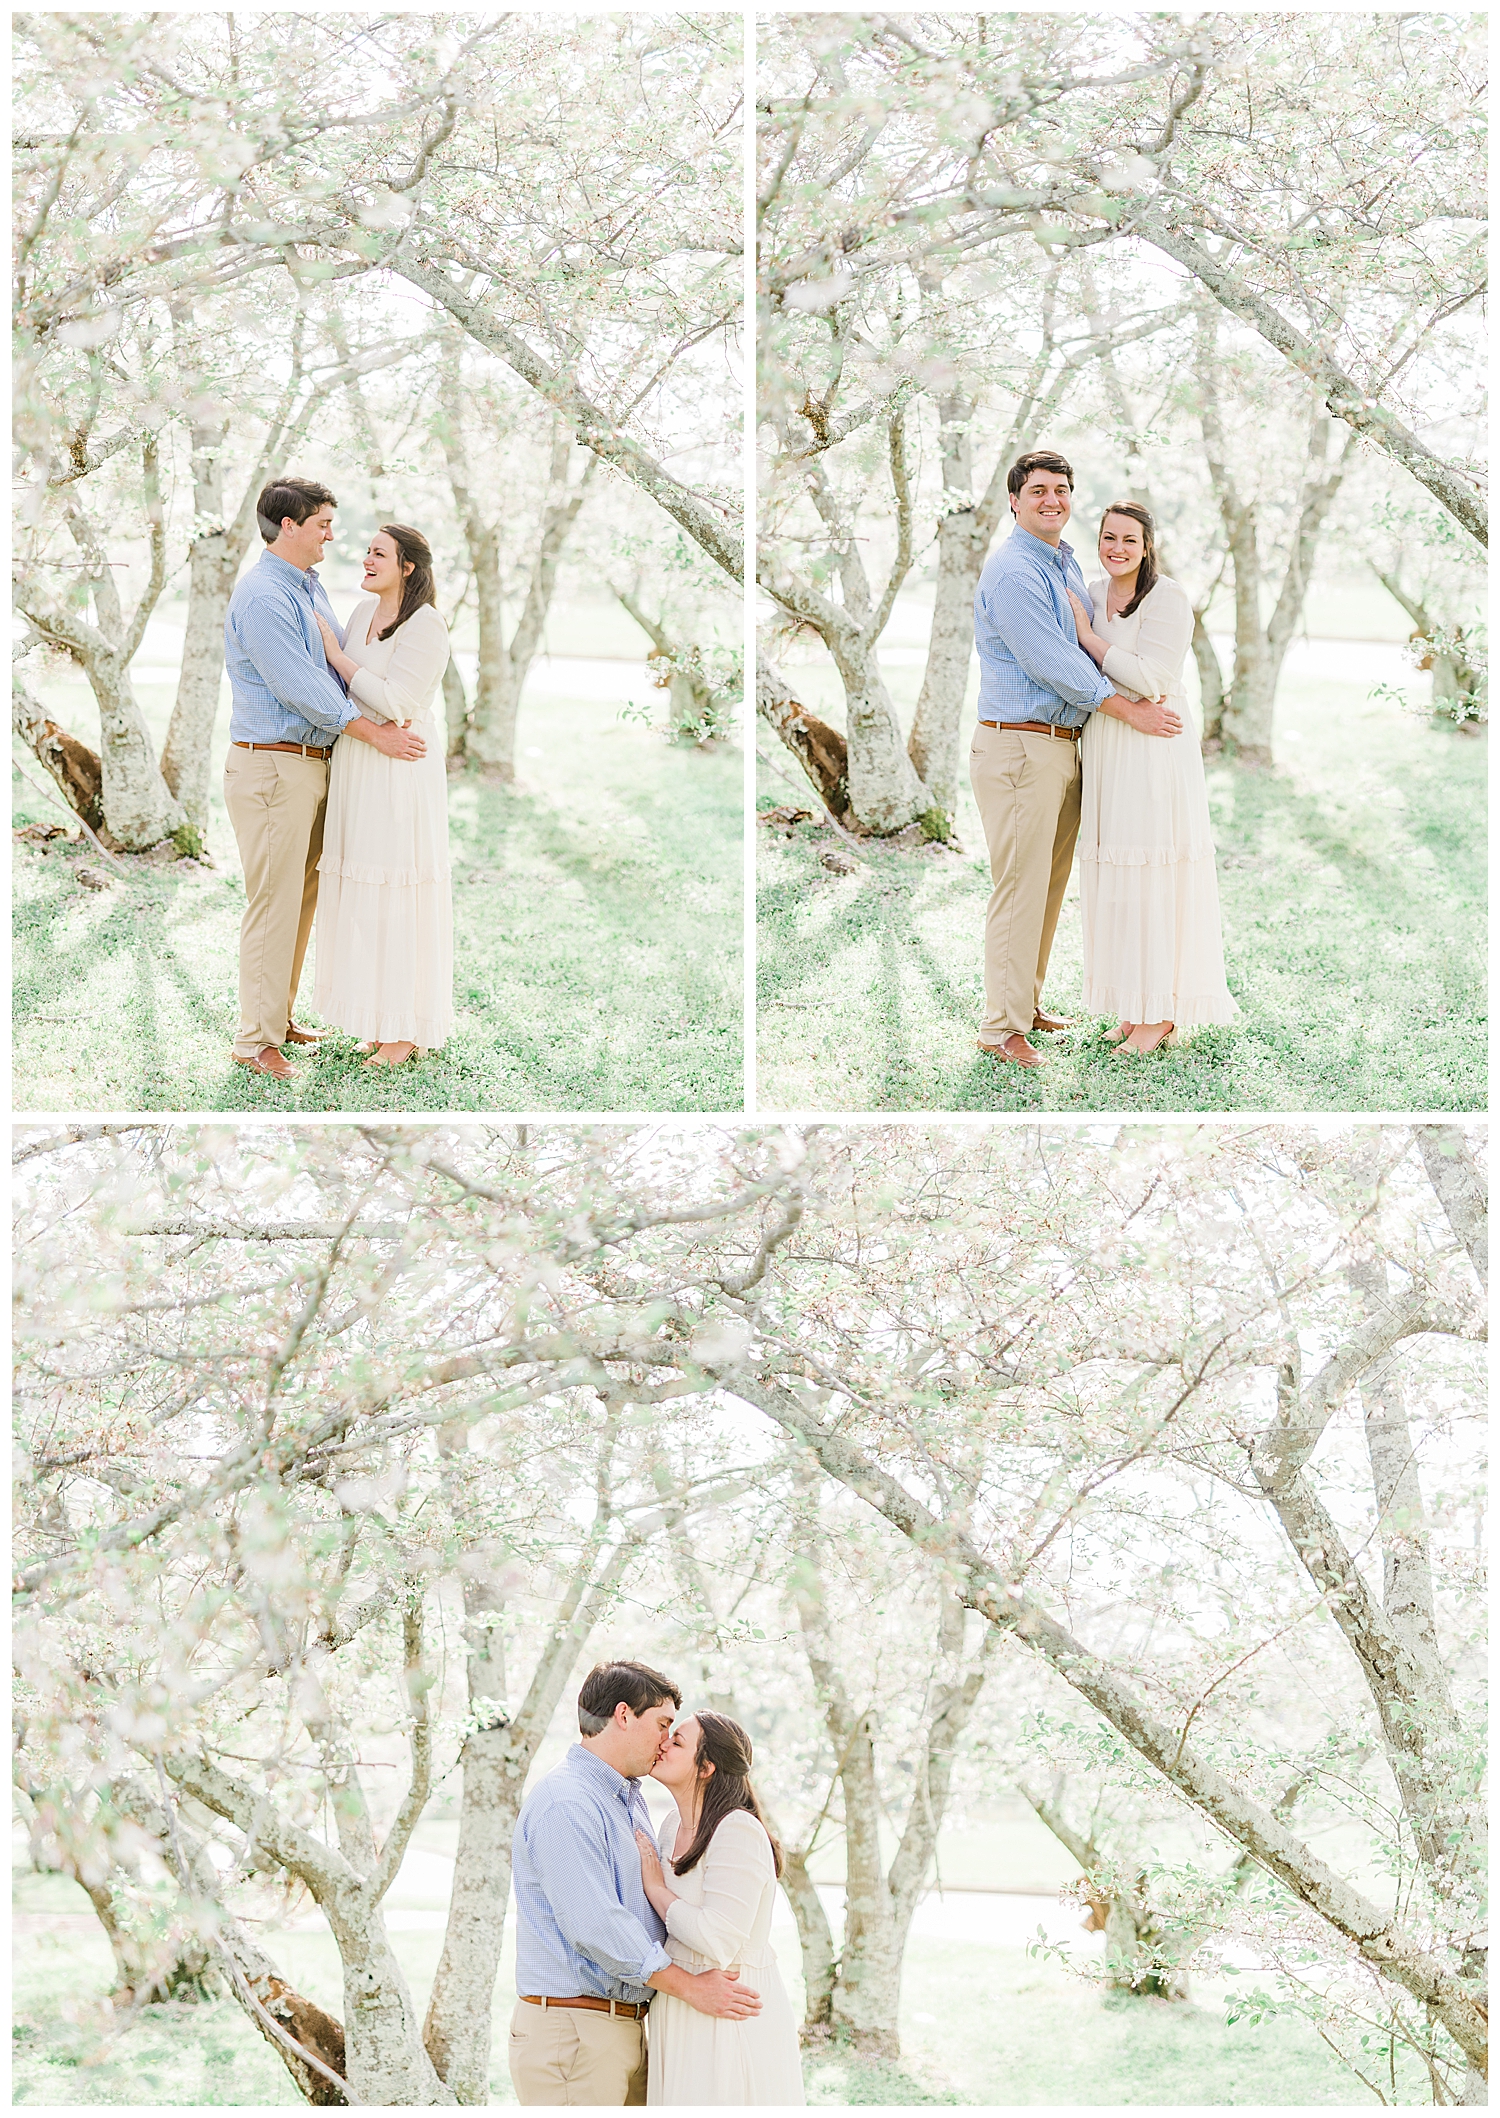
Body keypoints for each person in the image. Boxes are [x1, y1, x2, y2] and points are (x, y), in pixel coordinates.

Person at [968, 451, 1181, 1069]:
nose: (1052, 500)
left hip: (1060, 747)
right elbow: (1049, 659)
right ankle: (1000, 1031)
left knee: (1049, 887)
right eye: (1038, 491)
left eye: (1062, 490)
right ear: (1015, 501)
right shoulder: (1014, 569)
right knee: (1018, 890)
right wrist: (1128, 709)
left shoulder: (1059, 560)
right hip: (1018, 746)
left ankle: (1024, 1004)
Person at [221, 477, 426, 1080]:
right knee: (273, 904)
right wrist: (373, 732)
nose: (332, 536)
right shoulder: (263, 594)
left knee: (301, 901)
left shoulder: (304, 586)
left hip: (308, 766)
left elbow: (338, 666)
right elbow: (298, 684)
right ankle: (254, 1042)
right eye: (323, 524)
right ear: (289, 526)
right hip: (271, 767)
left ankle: (277, 1019)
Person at [509, 1663, 763, 2107]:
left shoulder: (627, 1799)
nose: (666, 1741)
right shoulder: (567, 1802)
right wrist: (690, 1987)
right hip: (574, 2033)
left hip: (624, 2028)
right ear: (624, 1715)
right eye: (663, 1724)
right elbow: (595, 1923)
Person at [1066, 503, 1238, 1053]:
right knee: (1117, 881)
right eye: (1108, 537)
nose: (1117, 548)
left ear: (1147, 546)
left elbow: (1154, 679)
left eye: (1129, 540)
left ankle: (1160, 1014)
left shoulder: (1169, 597)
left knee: (1152, 876)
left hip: (1155, 745)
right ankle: (1132, 1005)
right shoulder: (1091, 593)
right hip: (1107, 741)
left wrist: (1090, 639)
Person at [312, 523, 454, 1065]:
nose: (366, 559)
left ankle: (405, 1031)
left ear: (408, 567)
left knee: (397, 894)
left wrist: (339, 659)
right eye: (366, 551)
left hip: (400, 769)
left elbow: (398, 702)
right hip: (358, 765)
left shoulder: (426, 625)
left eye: (379, 553)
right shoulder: (358, 617)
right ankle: (377, 1019)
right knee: (363, 895)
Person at [635, 1711, 803, 2106]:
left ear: (707, 1767)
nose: (663, 1744)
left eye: (677, 1742)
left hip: (729, 2007)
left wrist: (656, 1888)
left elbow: (718, 1937)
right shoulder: (671, 1825)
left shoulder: (738, 1829)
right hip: (681, 2001)